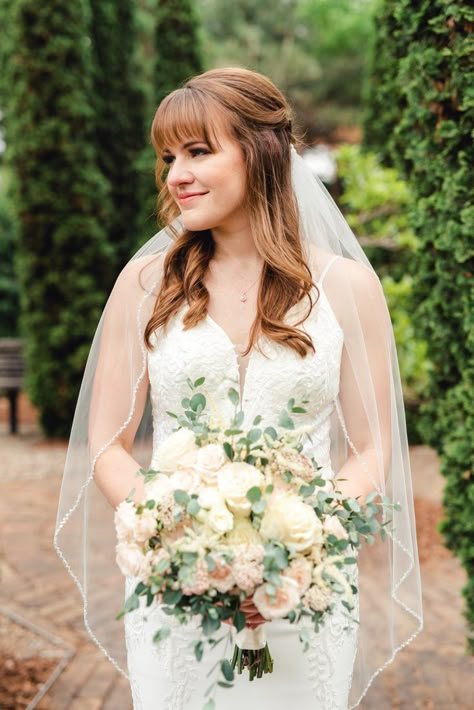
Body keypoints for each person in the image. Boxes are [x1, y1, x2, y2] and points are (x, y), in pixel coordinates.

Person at [54, 68, 422, 709]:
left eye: (199, 152)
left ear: (262, 151)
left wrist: (304, 540)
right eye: (169, 158)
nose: (176, 175)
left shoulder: (347, 289)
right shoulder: (144, 287)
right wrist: (177, 534)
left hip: (305, 587)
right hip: (178, 584)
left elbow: (370, 447)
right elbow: (108, 443)